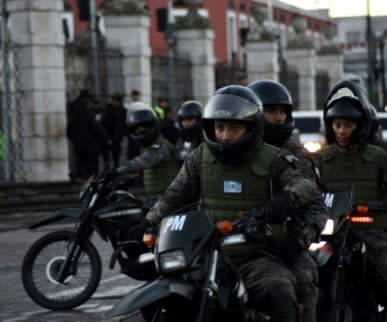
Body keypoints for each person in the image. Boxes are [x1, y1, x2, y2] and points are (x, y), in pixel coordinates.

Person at [145, 85, 327, 322]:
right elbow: (173, 196)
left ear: (252, 127)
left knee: (280, 288)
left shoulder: (275, 157)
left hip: (257, 256)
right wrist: (148, 222)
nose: (225, 135)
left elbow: (306, 185)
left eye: (234, 128)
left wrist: (288, 197)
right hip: (205, 254)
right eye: (219, 127)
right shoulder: (200, 157)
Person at [315, 93, 387, 322]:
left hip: (370, 232)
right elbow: (309, 190)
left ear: (360, 127)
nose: (341, 130)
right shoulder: (320, 159)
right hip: (330, 233)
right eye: (337, 124)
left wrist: (383, 204)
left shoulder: (379, 156)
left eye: (348, 125)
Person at [248, 79, 326, 322]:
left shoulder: (298, 155)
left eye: (283, 111)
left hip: (285, 242)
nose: (279, 117)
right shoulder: (234, 149)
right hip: (238, 240)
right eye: (271, 111)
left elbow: (316, 205)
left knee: (303, 278)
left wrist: (298, 241)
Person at [106, 108, 180, 206]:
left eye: (142, 129)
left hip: (167, 200)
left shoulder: (160, 147)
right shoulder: (151, 147)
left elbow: (141, 163)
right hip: (155, 199)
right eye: (136, 130)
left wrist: (116, 172)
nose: (139, 132)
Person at [67, 94, 110, 180]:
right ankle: (91, 180)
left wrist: (74, 139)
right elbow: (97, 129)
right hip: (90, 145)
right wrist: (106, 138)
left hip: (78, 144)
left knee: (80, 163)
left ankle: (78, 177)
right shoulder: (88, 116)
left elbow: (69, 130)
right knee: (92, 166)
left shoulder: (74, 116)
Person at [102, 92, 127, 169]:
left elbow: (124, 124)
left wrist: (122, 135)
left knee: (117, 156)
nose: (114, 102)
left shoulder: (123, 111)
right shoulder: (108, 110)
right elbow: (104, 123)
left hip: (118, 138)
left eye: (115, 100)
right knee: (106, 157)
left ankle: (116, 170)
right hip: (108, 136)